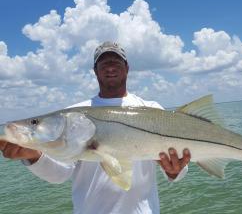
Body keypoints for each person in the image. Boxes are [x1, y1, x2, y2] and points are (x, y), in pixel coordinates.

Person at [0, 41, 191, 214]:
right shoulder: (73, 115)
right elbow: (59, 175)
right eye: (104, 63)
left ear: (127, 68)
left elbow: (181, 168)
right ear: (95, 70)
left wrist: (174, 170)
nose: (110, 67)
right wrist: (33, 156)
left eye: (116, 62)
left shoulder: (152, 109)